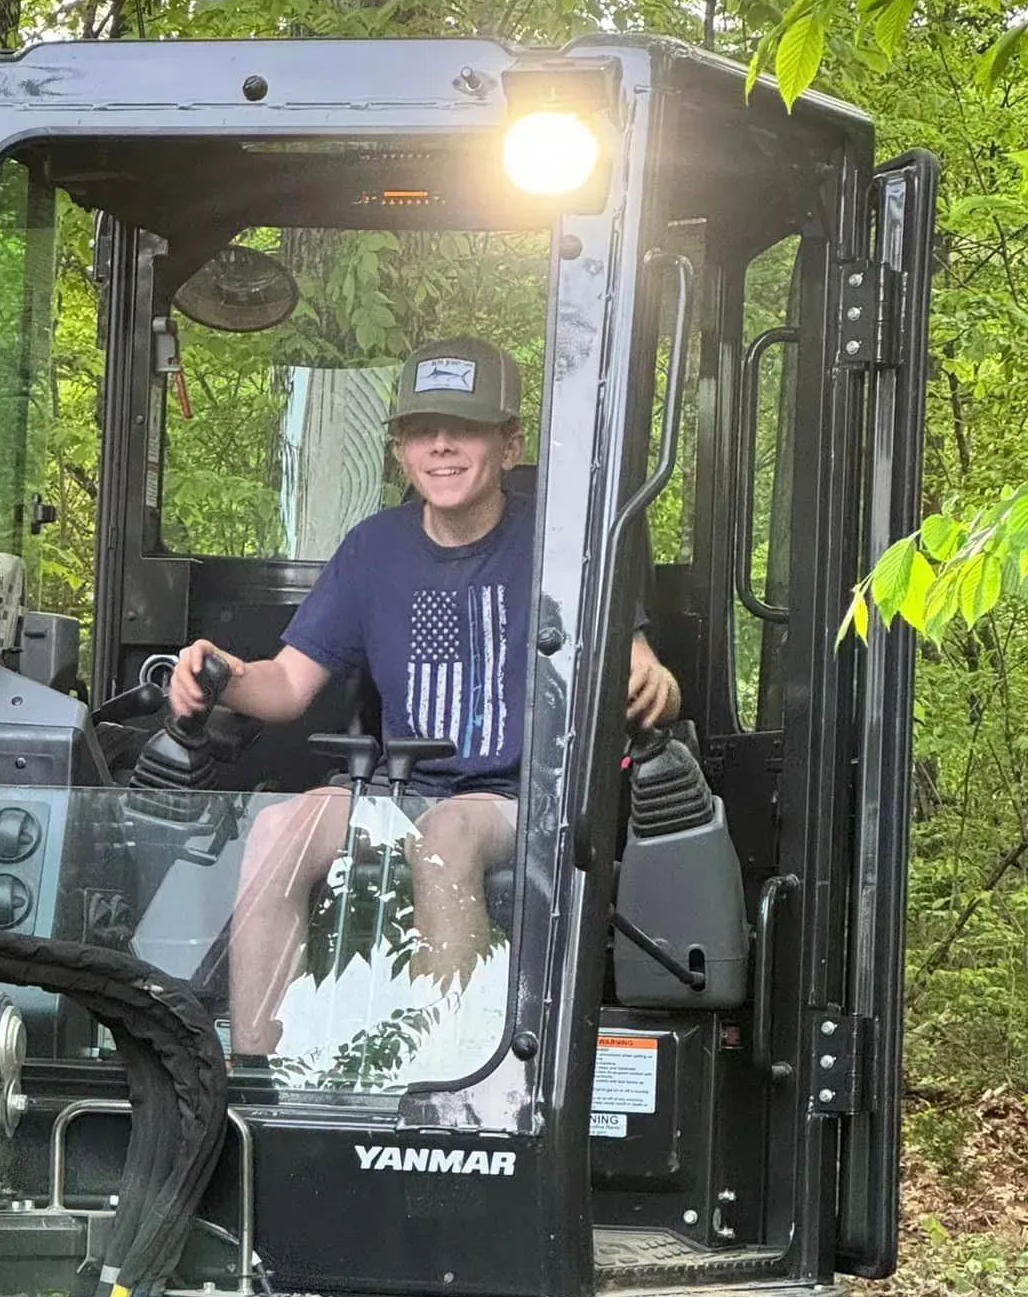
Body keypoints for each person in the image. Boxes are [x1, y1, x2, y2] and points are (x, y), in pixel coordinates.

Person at [169, 337, 680, 1055]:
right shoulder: (372, 548)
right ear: (400, 450)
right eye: (420, 431)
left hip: (520, 800)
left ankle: (450, 1077)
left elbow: (642, 667)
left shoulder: (564, 543)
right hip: (398, 789)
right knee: (277, 830)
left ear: (508, 444)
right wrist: (220, 670)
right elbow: (286, 685)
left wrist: (654, 678)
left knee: (448, 836)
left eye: (463, 429)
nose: (441, 447)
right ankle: (255, 1080)